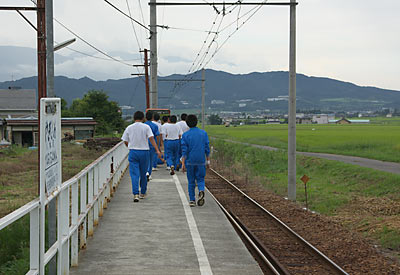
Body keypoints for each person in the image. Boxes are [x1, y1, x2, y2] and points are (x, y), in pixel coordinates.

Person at [122, 111, 162, 202]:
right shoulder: (146, 127)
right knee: (143, 173)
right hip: (144, 152)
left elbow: (124, 140)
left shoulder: (129, 127)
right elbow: (151, 138)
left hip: (133, 152)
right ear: (143, 118)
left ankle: (135, 193)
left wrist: (129, 146)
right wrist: (157, 150)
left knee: (134, 174)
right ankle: (143, 192)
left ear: (134, 118)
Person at [181, 114, 210, 207]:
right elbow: (207, 148)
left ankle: (192, 200)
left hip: (190, 160)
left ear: (187, 123)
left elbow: (184, 150)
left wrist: (182, 163)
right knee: (201, 179)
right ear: (197, 122)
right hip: (201, 160)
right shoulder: (203, 133)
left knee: (191, 181)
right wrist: (208, 160)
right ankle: (201, 190)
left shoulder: (185, 135)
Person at [144, 111, 160, 181]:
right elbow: (157, 136)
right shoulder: (155, 126)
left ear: (145, 117)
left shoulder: (143, 125)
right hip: (152, 145)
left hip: (144, 145)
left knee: (145, 160)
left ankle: (145, 172)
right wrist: (158, 145)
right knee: (150, 160)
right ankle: (149, 173)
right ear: (152, 117)